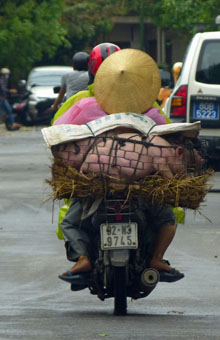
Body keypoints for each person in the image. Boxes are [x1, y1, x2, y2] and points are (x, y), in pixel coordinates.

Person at [54, 47, 184, 284]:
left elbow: (58, 134)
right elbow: (170, 140)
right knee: (167, 217)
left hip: (96, 182)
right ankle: (156, 257)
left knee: (70, 221)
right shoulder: (151, 110)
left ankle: (83, 257)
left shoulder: (83, 105)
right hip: (140, 183)